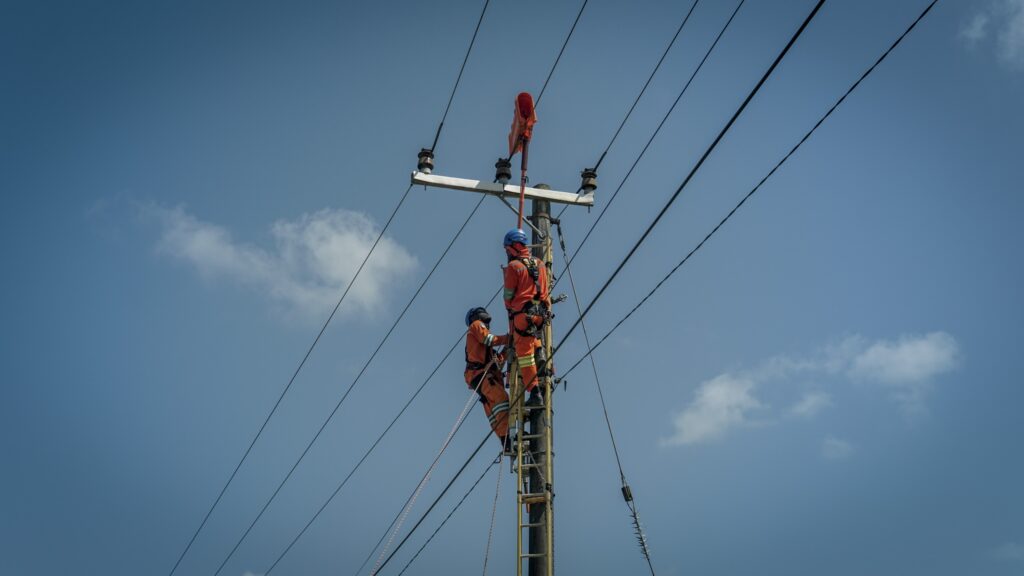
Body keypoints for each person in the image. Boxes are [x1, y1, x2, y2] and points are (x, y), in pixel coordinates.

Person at [502, 228, 551, 404]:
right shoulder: (539, 263)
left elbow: (508, 297)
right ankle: (540, 352)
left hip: (522, 315)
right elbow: (544, 292)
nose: (507, 252)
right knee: (534, 337)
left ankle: (535, 393)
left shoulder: (513, 267)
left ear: (514, 246)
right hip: (541, 314)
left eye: (508, 249)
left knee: (524, 356)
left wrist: (510, 307)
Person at [464, 307, 511, 450]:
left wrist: (507, 350)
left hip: (479, 376)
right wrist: (508, 338)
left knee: (493, 410)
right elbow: (489, 339)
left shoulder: (482, 348)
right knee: (501, 399)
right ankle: (507, 437)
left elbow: (496, 363)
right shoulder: (476, 325)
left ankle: (505, 440)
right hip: (481, 375)